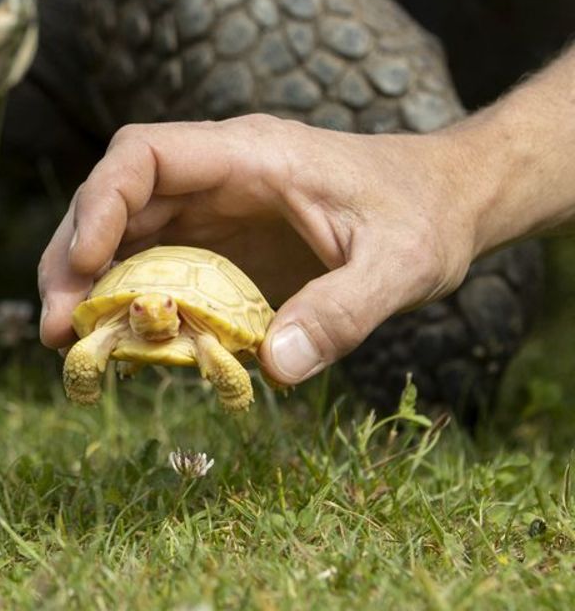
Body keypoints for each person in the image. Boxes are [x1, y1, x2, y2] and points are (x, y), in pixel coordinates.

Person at [37, 47, 575, 387]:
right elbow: (92, 344)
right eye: (144, 308)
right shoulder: (126, 320)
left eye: (161, 307)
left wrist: (460, 185)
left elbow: (211, 350)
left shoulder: (193, 330)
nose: (149, 314)